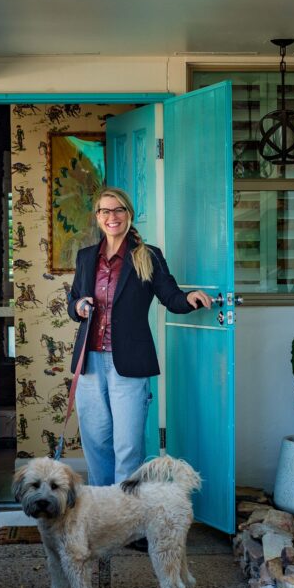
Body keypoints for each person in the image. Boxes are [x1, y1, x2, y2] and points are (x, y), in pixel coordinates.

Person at [67, 186, 212, 488]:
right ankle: (102, 510)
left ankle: (126, 512)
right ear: (98, 217)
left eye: (119, 209)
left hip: (130, 363)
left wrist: (189, 299)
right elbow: (74, 302)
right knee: (96, 444)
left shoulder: (148, 256)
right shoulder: (86, 257)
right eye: (105, 211)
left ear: (129, 214)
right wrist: (79, 306)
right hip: (89, 362)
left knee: (128, 447)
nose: (112, 216)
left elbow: (170, 296)